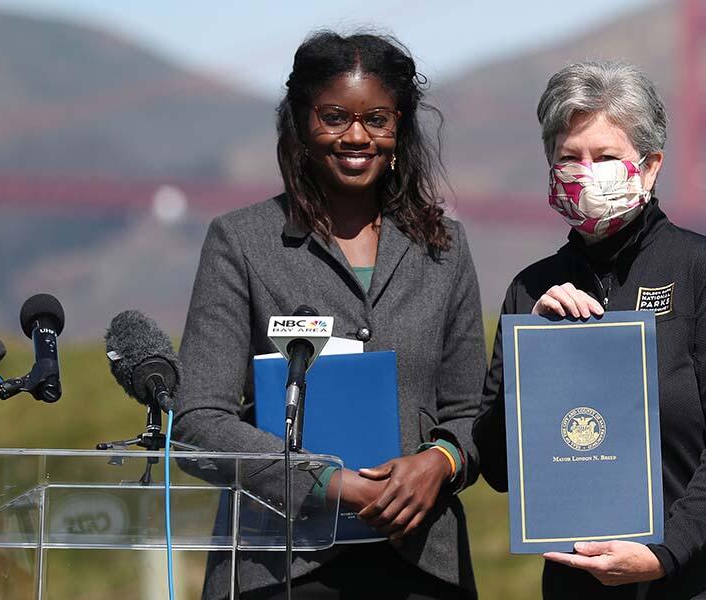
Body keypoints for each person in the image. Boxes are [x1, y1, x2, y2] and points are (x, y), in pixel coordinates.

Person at [473, 60, 706, 599]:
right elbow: (500, 469)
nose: (585, 173)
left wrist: (664, 552)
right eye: (568, 158)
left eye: (605, 158)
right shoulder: (531, 291)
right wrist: (528, 360)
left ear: (649, 168)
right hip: (586, 584)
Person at [174, 31, 485, 600]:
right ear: (300, 124)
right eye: (335, 116)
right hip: (279, 567)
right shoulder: (239, 242)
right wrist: (326, 481)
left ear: (400, 128)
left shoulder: (446, 249)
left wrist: (437, 462)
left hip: (421, 563)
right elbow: (197, 422)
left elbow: (471, 413)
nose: (357, 136)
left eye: (378, 119)